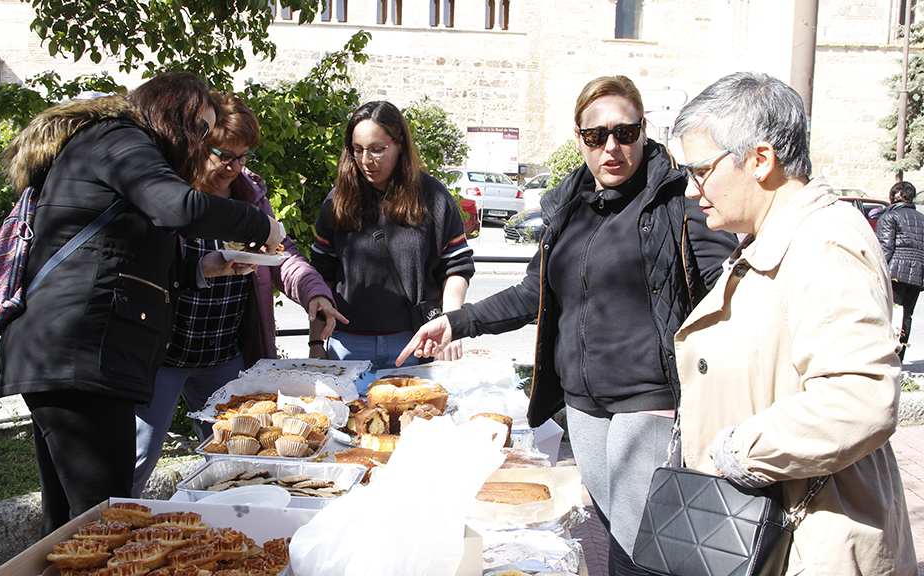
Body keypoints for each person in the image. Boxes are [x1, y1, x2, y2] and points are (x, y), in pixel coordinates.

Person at [398, 76, 737, 575]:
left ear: (645, 130)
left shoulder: (678, 200)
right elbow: (534, 293)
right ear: (579, 139)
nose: (612, 147)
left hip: (650, 401)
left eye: (625, 132)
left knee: (646, 546)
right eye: (596, 136)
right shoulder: (568, 206)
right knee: (616, 535)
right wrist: (457, 322)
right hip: (582, 406)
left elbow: (726, 295)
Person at [0, 72, 285, 535]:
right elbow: (177, 208)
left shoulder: (119, 147)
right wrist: (259, 223)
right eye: (203, 131)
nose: (204, 143)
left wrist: (204, 267)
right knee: (104, 517)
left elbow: (126, 257)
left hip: (77, 354)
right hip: (78, 355)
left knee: (71, 522)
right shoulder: (117, 136)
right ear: (176, 118)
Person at [672, 71, 916, 575]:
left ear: (761, 160)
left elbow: (860, 396)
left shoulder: (822, 244)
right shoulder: (782, 235)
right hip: (776, 530)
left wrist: (734, 451)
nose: (693, 191)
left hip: (811, 544)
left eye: (700, 171)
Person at [132, 92, 345, 497]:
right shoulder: (168, 192)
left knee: (243, 457)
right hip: (162, 355)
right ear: (197, 144)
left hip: (224, 355)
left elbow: (282, 258)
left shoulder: (249, 194)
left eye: (244, 157)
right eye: (224, 155)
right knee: (137, 456)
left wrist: (315, 294)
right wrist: (202, 267)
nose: (234, 167)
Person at [309, 100, 474, 389]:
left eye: (377, 149)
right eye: (357, 150)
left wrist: (450, 323)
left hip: (414, 345)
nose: (366, 160)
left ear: (399, 144)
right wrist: (315, 342)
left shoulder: (432, 197)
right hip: (348, 348)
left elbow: (456, 266)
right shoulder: (338, 201)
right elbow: (322, 276)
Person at [876, 180, 924, 360]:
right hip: (917, 275)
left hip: (894, 273)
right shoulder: (921, 218)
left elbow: (885, 249)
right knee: (906, 316)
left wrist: (877, 272)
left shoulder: (889, 217)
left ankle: (887, 357)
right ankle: (900, 356)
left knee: (889, 314)